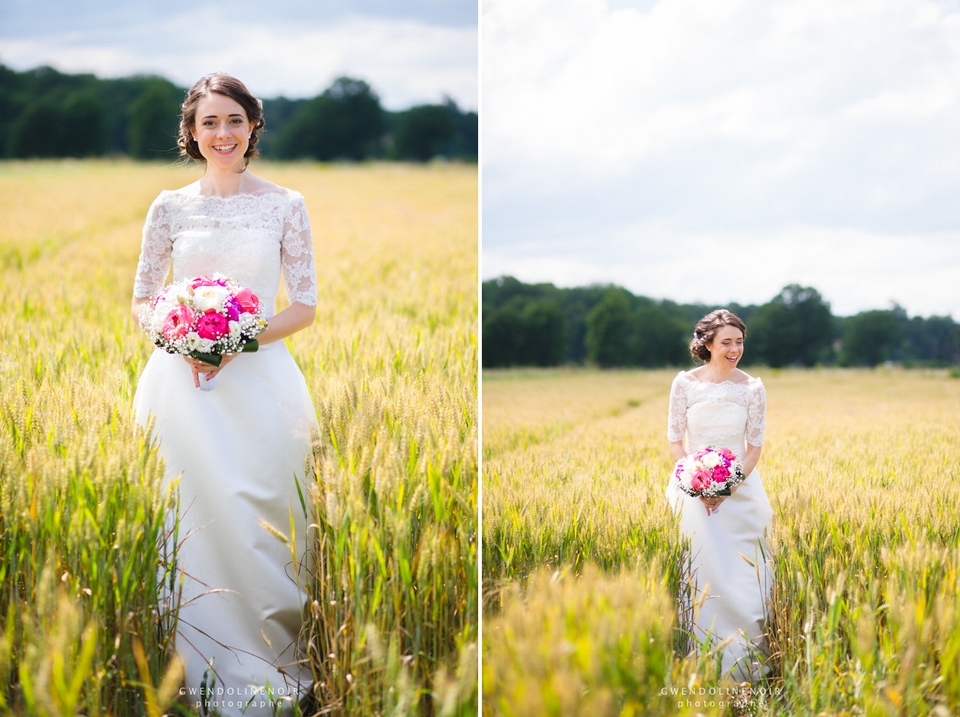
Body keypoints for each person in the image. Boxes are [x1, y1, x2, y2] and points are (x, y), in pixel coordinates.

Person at [131, 73, 318, 713]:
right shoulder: (170, 207)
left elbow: (306, 307)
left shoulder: (286, 204)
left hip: (262, 383)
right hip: (182, 389)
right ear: (190, 132)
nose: (222, 134)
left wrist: (236, 343)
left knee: (265, 522)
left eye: (234, 120)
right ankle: (185, 666)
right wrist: (184, 338)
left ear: (253, 127)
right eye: (209, 122)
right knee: (186, 520)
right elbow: (143, 298)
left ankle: (270, 660)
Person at [665, 309, 773, 682]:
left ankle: (744, 661)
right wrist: (696, 481)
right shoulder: (684, 384)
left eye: (739, 341)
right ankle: (694, 659)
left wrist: (727, 487)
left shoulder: (752, 388)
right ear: (707, 344)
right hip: (690, 492)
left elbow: (754, 448)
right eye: (726, 342)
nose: (734, 349)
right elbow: (675, 441)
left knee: (742, 577)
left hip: (741, 493)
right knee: (697, 573)